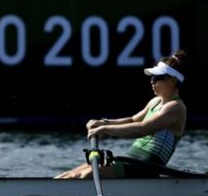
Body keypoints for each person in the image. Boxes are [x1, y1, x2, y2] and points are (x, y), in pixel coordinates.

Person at [55, 50, 188, 179]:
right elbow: (132, 120)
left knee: (83, 176)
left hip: (145, 167)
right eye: (152, 77)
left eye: (157, 77)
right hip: (131, 161)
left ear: (173, 80)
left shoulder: (175, 108)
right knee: (70, 175)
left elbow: (142, 129)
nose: (152, 81)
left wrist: (105, 130)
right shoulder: (155, 102)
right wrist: (104, 122)